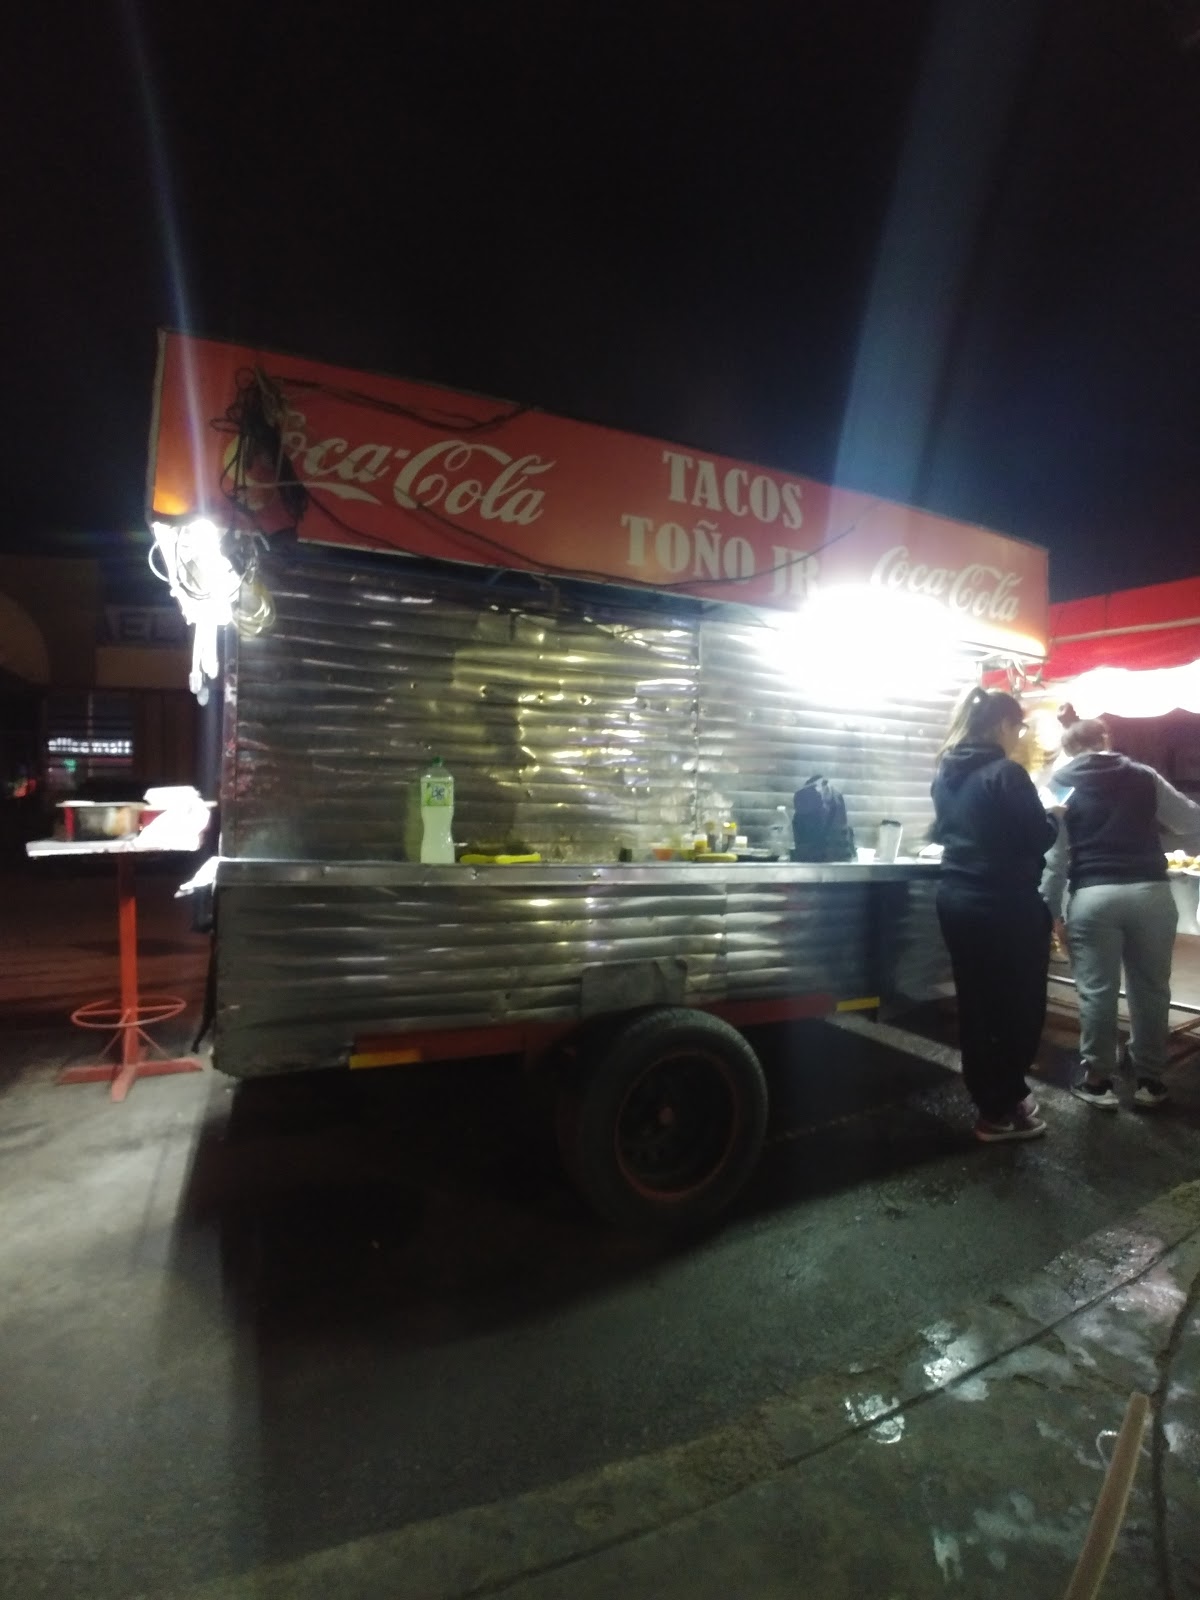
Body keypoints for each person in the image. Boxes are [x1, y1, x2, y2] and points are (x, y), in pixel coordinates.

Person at [1040, 717, 1200, 1110]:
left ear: (1070, 749)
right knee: (1151, 989)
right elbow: (1189, 820)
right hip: (1150, 893)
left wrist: (1051, 910)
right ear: (1106, 739)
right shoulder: (1143, 775)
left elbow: (1055, 857)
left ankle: (1098, 1082)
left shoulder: (1060, 782)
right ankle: (1150, 1081)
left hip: (1093, 895)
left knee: (1098, 991)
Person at [932, 686, 1060, 1142]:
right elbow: (1037, 836)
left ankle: (999, 1098)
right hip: (1004, 904)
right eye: (1018, 728)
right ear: (1003, 724)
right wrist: (1055, 816)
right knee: (1018, 1007)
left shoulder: (946, 773)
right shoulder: (1006, 773)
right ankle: (998, 1108)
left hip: (958, 900)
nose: (1018, 737)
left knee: (978, 1005)